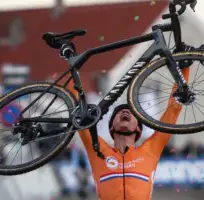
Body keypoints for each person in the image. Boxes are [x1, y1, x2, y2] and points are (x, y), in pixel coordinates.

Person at [69, 68, 189, 200]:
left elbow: (173, 110)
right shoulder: (98, 150)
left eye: (130, 113)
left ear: (138, 129)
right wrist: (72, 66)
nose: (125, 112)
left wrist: (183, 70)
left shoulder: (150, 150)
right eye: (119, 113)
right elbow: (77, 112)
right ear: (112, 128)